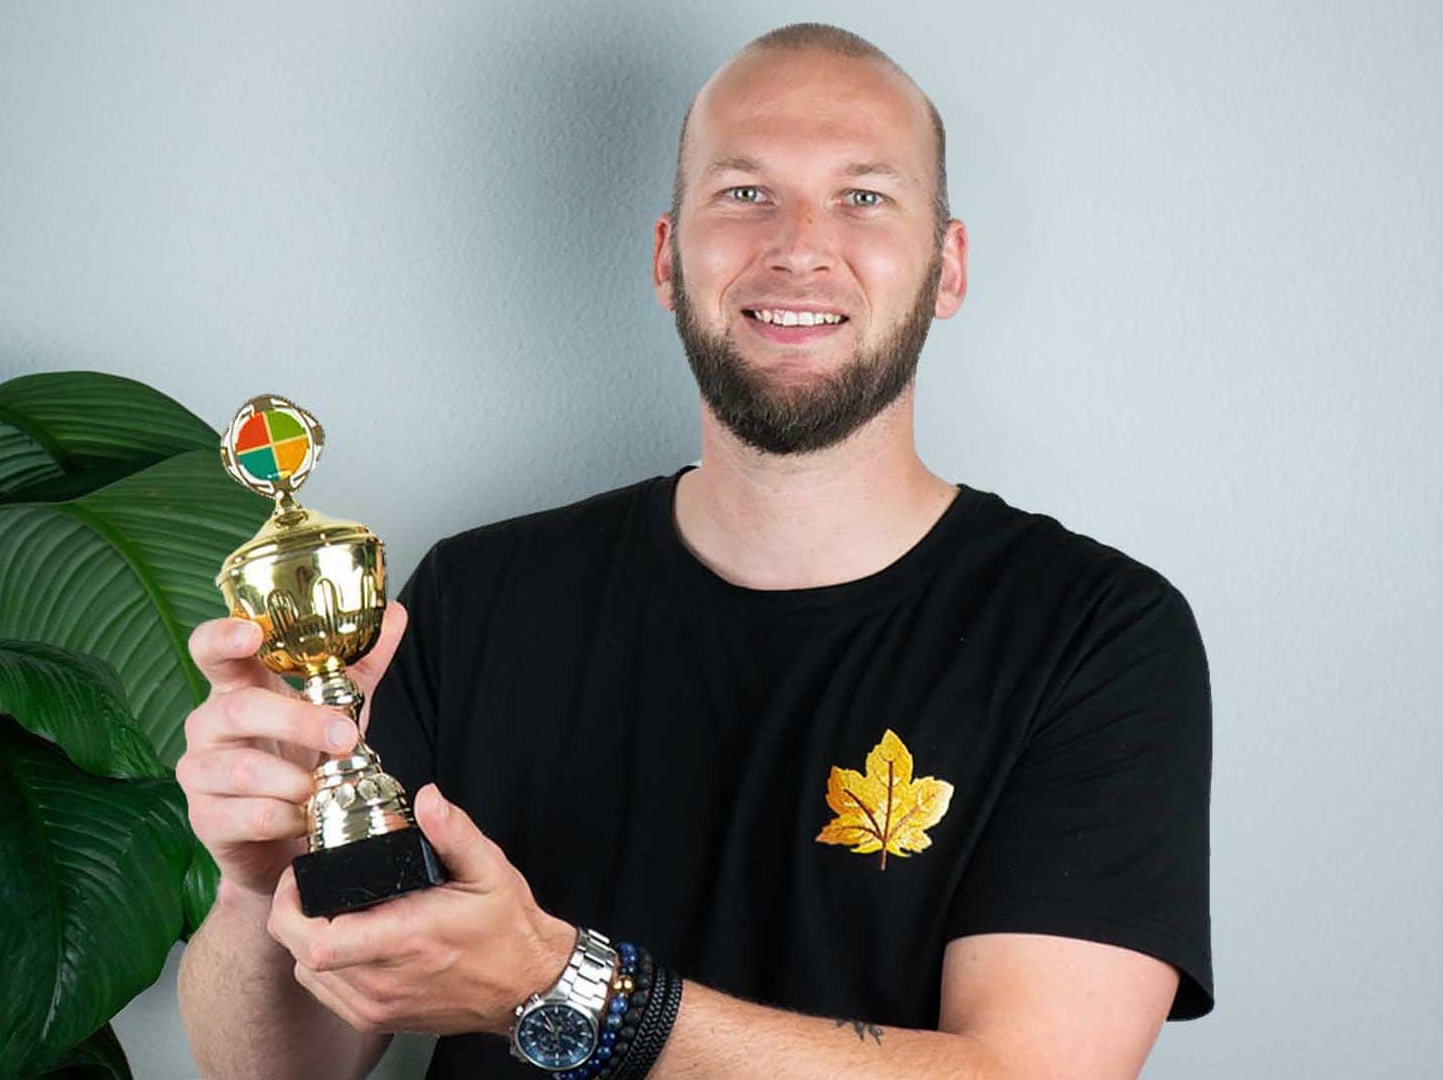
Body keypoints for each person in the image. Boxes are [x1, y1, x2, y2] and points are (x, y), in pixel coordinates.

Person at [176, 21, 1212, 1080]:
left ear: (946, 268)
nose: (799, 247)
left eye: (863, 196)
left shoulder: (1095, 634)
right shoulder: (474, 597)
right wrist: (261, 882)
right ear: (667, 259)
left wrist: (563, 986)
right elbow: (281, 1073)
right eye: (745, 193)